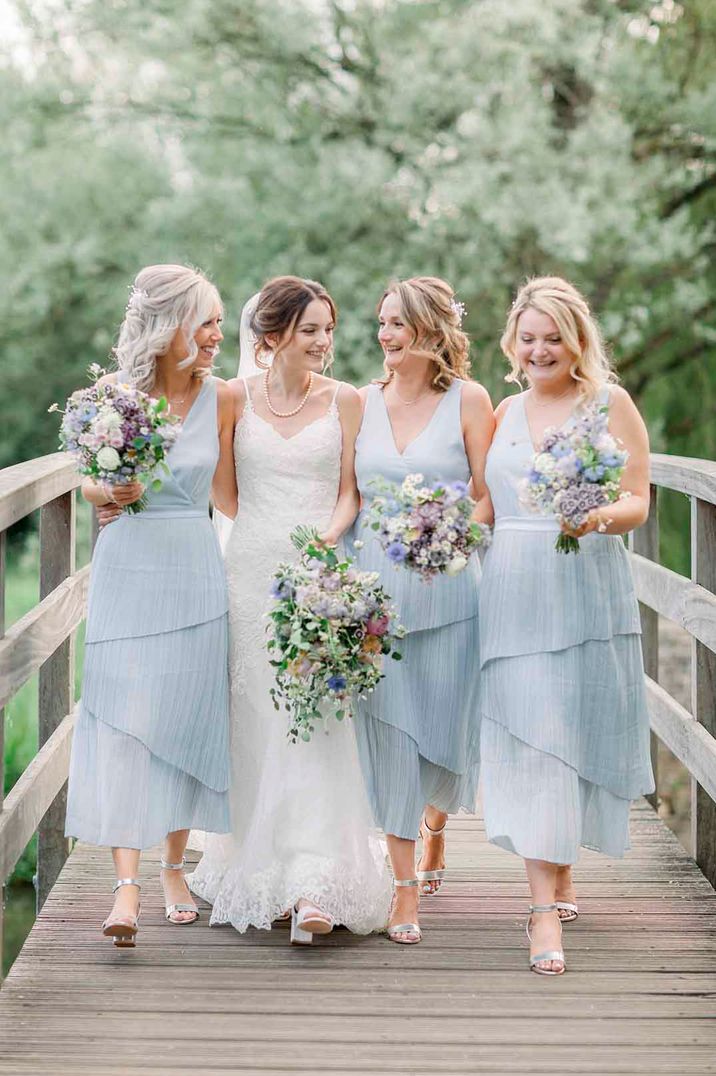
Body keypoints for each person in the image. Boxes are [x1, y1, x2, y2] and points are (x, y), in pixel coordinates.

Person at [188, 276, 391, 944]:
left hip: (321, 569)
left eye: (329, 329)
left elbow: (348, 493)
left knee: (320, 716)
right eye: (311, 331)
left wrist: (326, 543)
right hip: (250, 572)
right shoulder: (229, 398)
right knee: (259, 715)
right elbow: (225, 492)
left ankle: (316, 880)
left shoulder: (348, 402)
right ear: (271, 337)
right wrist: (270, 543)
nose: (325, 342)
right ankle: (262, 860)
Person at [478, 275, 654, 975]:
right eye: (529, 338)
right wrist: (434, 537)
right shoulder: (503, 409)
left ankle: (560, 869)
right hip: (513, 589)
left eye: (553, 337)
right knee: (535, 735)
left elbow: (637, 498)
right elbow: (484, 503)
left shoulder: (609, 404)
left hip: (582, 582)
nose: (540, 349)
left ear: (576, 340)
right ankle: (541, 908)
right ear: (513, 345)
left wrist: (596, 516)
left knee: (568, 729)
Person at [65, 264, 237, 947]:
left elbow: (227, 497)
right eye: (206, 321)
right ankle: (126, 888)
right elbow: (84, 481)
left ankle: (172, 866)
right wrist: (109, 493)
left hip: (193, 565)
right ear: (168, 328)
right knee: (125, 718)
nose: (218, 334)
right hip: (128, 564)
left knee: (182, 714)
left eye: (221, 321)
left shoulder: (224, 399)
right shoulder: (109, 395)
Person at [345, 276, 495, 944]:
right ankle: (403, 890)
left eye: (397, 325)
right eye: (381, 324)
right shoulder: (359, 402)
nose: (384, 336)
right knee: (389, 735)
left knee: (443, 734)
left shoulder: (470, 399)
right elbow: (344, 496)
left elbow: (489, 495)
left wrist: (455, 535)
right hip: (376, 593)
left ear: (432, 330)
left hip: (449, 588)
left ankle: (434, 823)